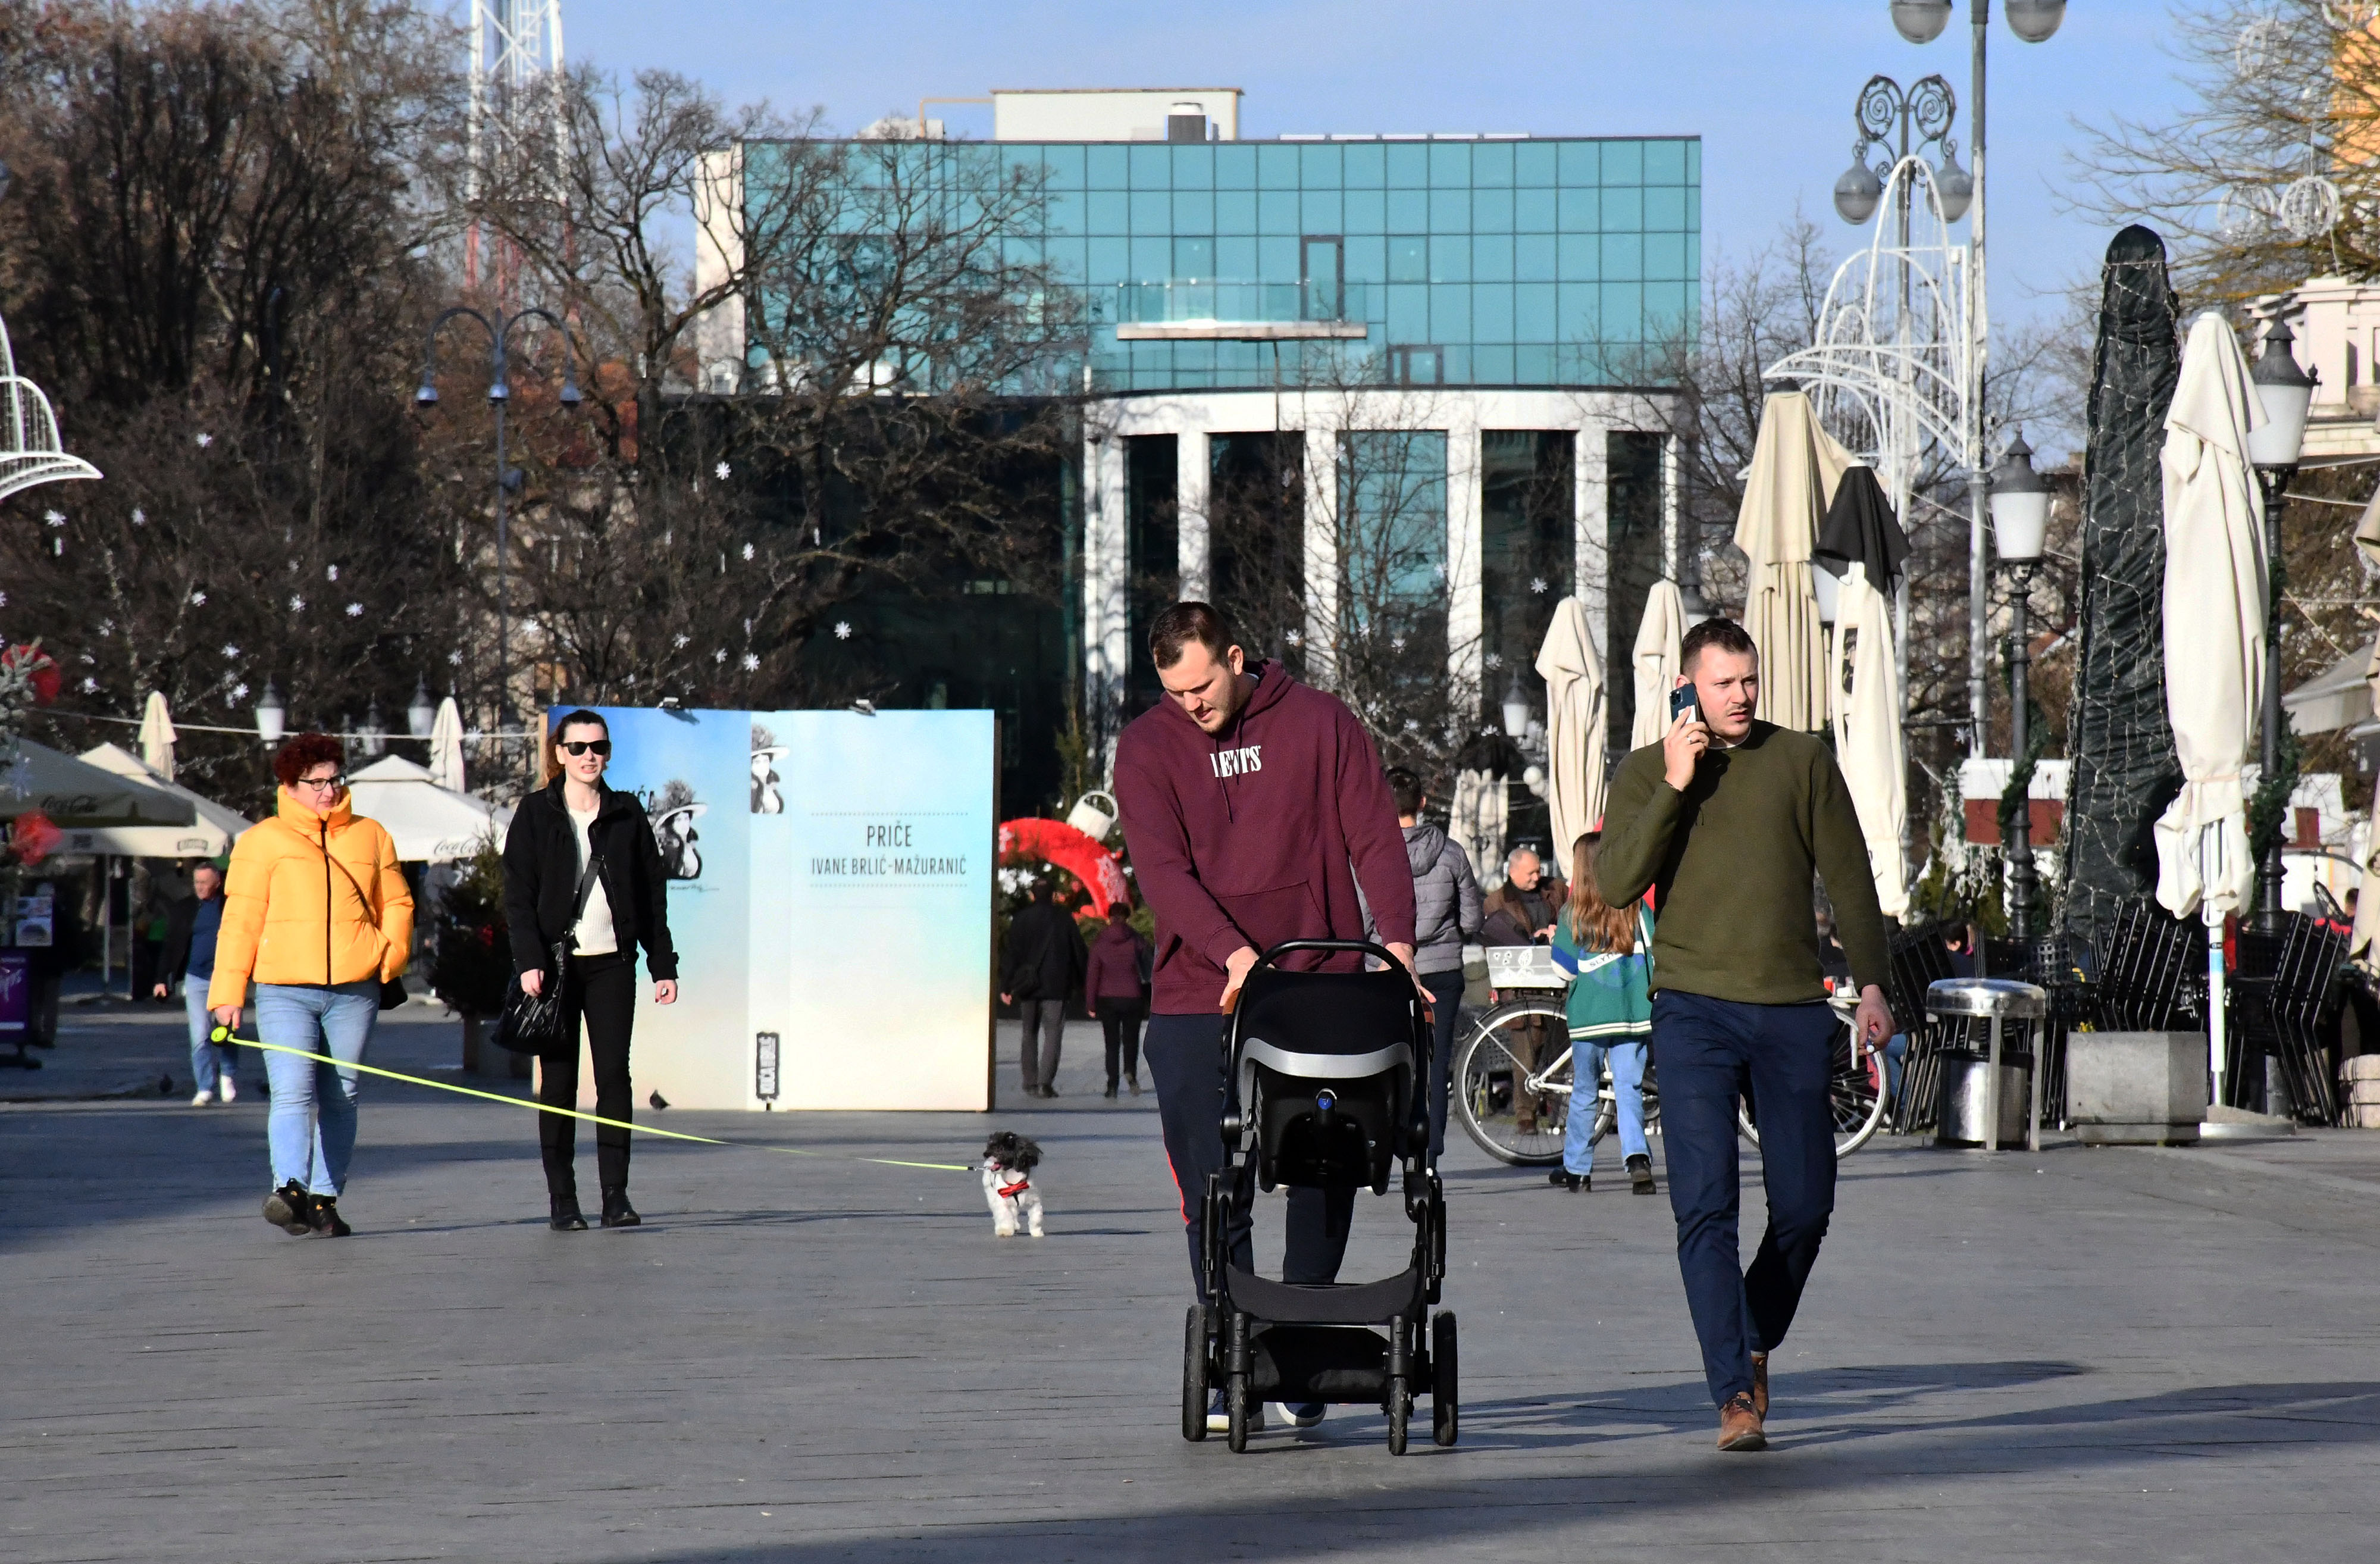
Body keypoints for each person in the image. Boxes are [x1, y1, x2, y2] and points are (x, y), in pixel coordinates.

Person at [1114, 601, 1418, 1435]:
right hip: (1195, 991)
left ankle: (1299, 1347)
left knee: (1326, 1163)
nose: (1192, 705)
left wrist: (1399, 949)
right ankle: (1233, 1350)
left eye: (1202, 685)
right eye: (1174, 693)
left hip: (1316, 982)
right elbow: (1162, 872)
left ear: (1237, 657)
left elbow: (1375, 840)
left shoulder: (1322, 724)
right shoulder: (1145, 747)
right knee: (1214, 1185)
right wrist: (1233, 955)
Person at [1599, 617, 1893, 1453]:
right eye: (1724, 683)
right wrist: (1676, 783)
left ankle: (1755, 1329)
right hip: (1691, 1008)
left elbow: (1850, 875)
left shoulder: (1800, 759)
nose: (1741, 696)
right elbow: (1617, 880)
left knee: (1807, 1202)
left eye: (1749, 681)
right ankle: (1732, 1391)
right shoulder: (1647, 772)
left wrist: (1873, 983)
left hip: (1791, 1006)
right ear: (1688, 686)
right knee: (1706, 1205)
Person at [209, 734, 414, 1238]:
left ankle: (325, 1196)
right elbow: (240, 921)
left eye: (334, 779)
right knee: (293, 1092)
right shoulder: (262, 841)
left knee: (342, 1095)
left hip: (354, 989)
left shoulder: (371, 835)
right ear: (290, 786)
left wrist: (387, 956)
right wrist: (228, 994)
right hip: (284, 988)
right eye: (315, 782)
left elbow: (398, 902)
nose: (327, 790)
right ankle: (291, 1190)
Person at [503, 710, 680, 1231]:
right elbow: (518, 894)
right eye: (577, 747)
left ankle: (615, 1196)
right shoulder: (537, 813)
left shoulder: (626, 814)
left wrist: (662, 963)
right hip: (555, 968)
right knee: (557, 1084)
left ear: (608, 752)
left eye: (597, 747)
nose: (588, 757)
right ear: (559, 752)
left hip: (612, 965)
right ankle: (562, 1199)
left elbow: (651, 895)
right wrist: (530, 959)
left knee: (614, 1081)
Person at [1549, 833, 1654, 1195]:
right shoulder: (1636, 907)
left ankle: (1577, 1169)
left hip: (1589, 1018)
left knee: (1585, 1092)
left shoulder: (1572, 912)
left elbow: (1563, 971)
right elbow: (1656, 951)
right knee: (1629, 1088)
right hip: (1632, 1013)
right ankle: (1637, 1158)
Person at [1388, 766, 1482, 1159]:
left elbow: (1361, 919)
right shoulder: (1452, 852)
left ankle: (1394, 1142)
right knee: (1437, 1061)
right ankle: (1432, 1152)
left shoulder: (1372, 855)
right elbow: (1473, 919)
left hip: (1387, 971)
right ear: (1423, 803)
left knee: (1390, 1060)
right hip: (1443, 969)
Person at [1482, 846, 1567, 1136]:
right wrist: (1533, 938)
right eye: (1530, 872)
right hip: (1521, 990)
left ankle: (1562, 1112)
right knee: (1525, 1058)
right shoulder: (1497, 902)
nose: (1537, 876)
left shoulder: (1556, 890)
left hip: (1558, 985)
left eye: (1538, 870)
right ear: (1512, 871)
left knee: (1561, 1054)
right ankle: (1526, 1116)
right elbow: (1496, 942)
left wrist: (1559, 930)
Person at [1000, 880, 1086, 1099]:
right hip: (1056, 986)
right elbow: (1079, 951)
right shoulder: (1064, 918)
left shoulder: (1021, 919)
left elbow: (1012, 953)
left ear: (1032, 895)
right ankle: (1045, 1083)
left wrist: (1006, 986)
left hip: (1027, 986)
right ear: (1053, 895)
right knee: (1053, 1034)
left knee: (1028, 1033)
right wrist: (1084, 983)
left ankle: (1029, 1081)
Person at [156, 861, 233, 1105]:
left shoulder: (229, 906)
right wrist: (161, 979)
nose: (200, 887)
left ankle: (228, 1075)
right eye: (197, 882)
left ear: (217, 883)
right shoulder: (186, 908)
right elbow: (170, 945)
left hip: (225, 977)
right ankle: (205, 1086)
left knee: (226, 1031)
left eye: (205, 883)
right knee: (200, 1035)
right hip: (196, 978)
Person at [1083, 902, 1150, 1099]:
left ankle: (1112, 1084)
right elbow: (1148, 965)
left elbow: (1093, 973)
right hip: (1133, 997)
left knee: (1111, 1043)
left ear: (1109, 917)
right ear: (1127, 917)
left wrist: (1091, 1003)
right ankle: (1131, 1073)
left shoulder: (1100, 942)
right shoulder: (1136, 940)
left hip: (1107, 999)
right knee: (1131, 1040)